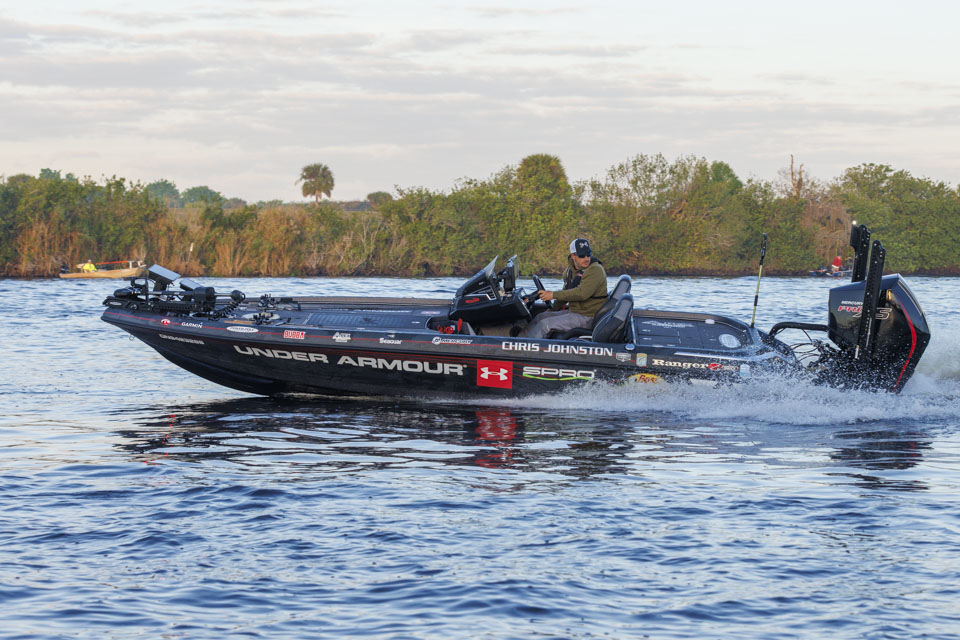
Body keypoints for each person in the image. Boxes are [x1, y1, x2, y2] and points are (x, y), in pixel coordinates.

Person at [519, 238, 607, 339]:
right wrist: (552, 309)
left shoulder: (595, 270)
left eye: (588, 255)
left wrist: (553, 295)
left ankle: (526, 346)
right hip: (574, 312)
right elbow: (566, 293)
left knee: (545, 325)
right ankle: (517, 340)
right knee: (540, 317)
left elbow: (582, 294)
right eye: (582, 256)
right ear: (573, 256)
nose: (586, 259)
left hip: (588, 317)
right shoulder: (569, 272)